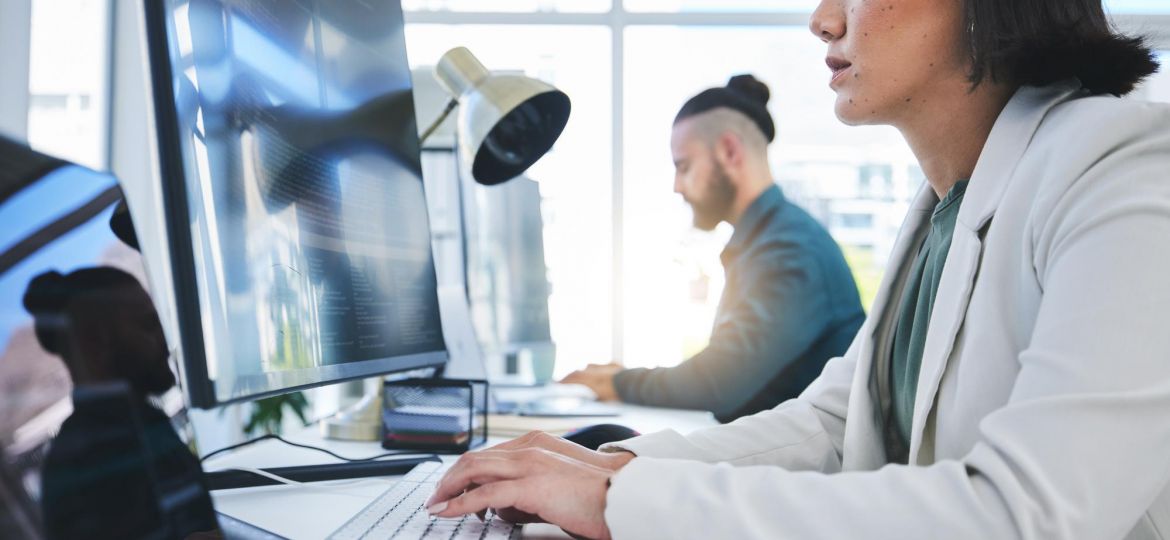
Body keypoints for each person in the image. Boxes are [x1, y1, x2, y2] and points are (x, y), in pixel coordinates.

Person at [424, 0, 1170, 538]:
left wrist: (620, 500)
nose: (822, 18)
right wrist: (610, 467)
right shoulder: (943, 205)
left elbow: (1030, 516)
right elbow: (831, 424)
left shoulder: (1126, 169)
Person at [562, 74, 866, 423]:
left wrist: (618, 382)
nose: (677, 187)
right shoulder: (766, 240)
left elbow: (721, 380)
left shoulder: (791, 248)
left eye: (684, 166)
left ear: (729, 151)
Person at [24, 268, 218, 540]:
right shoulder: (79, 461)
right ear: (95, 342)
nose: (165, 341)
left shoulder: (140, 422)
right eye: (148, 324)